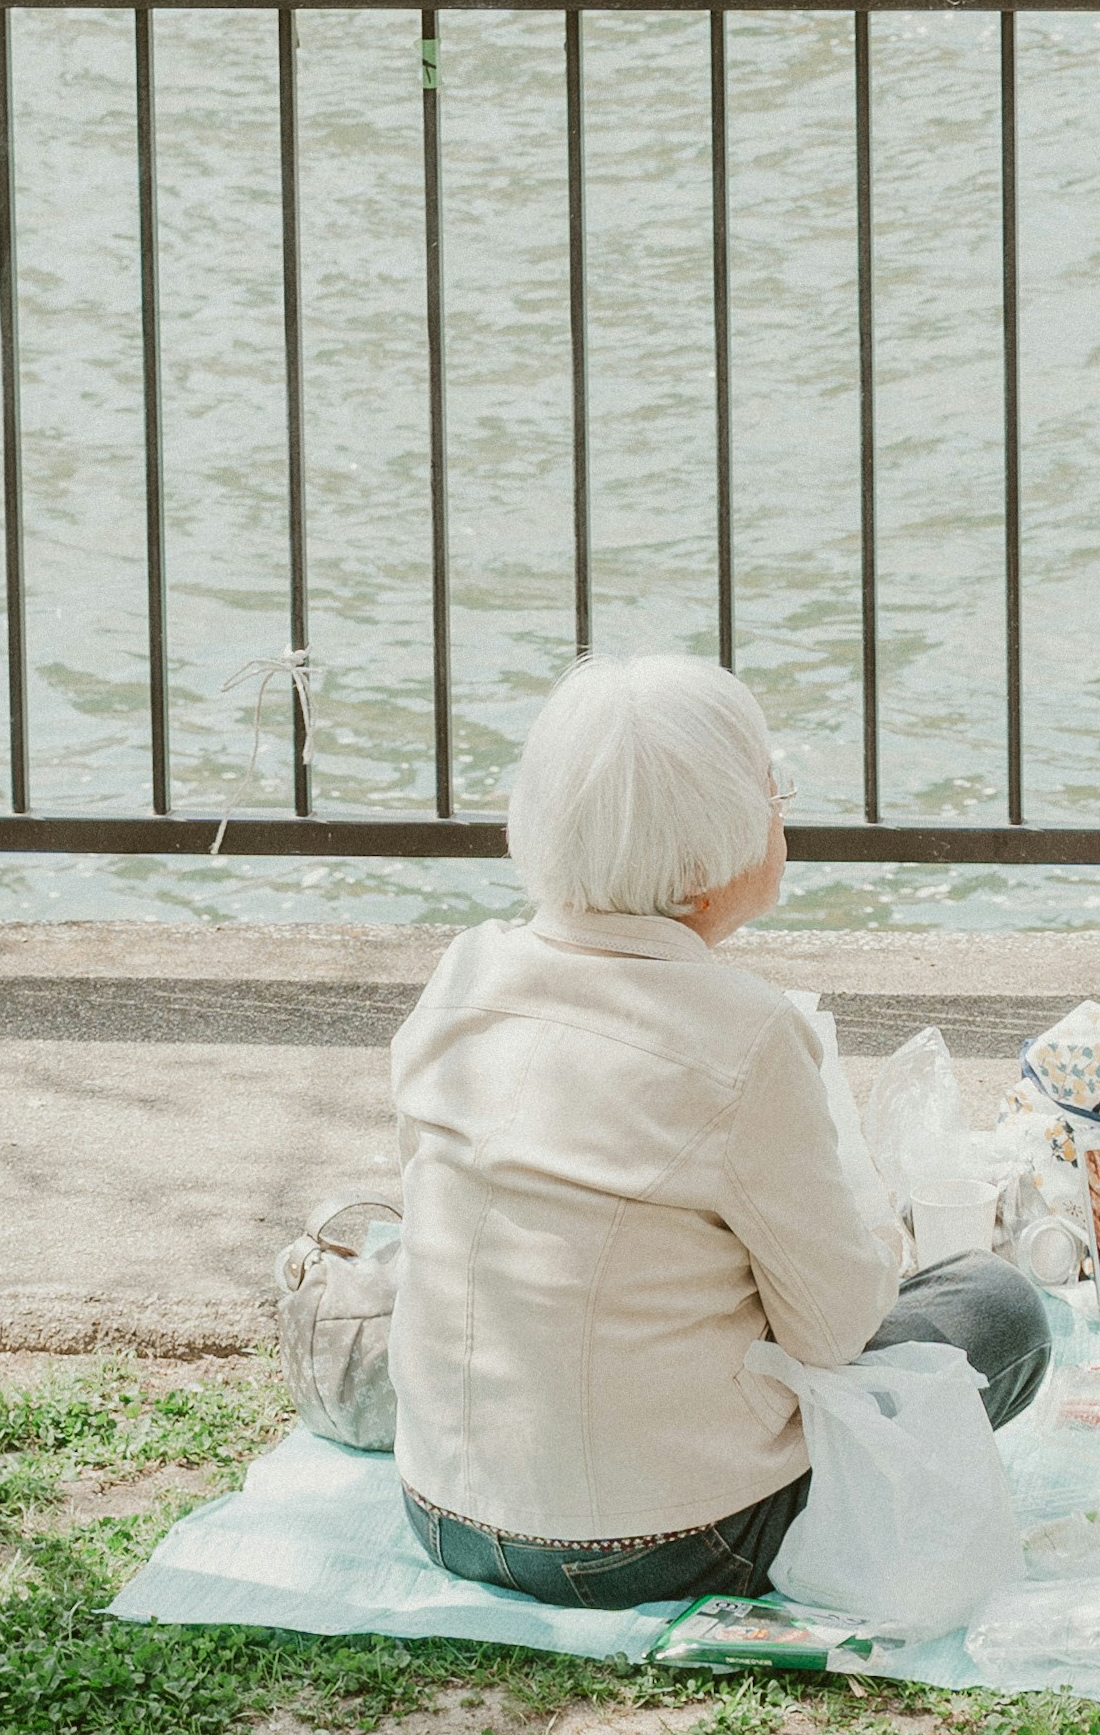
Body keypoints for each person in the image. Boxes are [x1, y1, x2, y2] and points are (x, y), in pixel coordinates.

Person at [383, 654, 1052, 1605]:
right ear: (713, 857)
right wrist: (871, 1216)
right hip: (662, 1542)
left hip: (442, 1509)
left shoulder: (465, 973)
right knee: (998, 1307)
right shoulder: (741, 1032)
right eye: (775, 792)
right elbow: (834, 1329)